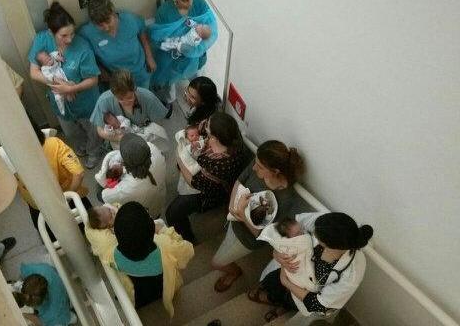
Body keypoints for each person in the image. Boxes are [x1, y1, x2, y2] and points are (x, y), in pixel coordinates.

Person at [211, 140, 308, 292]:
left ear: (275, 171)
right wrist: (232, 207)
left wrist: (242, 213)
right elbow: (239, 180)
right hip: (235, 218)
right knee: (225, 243)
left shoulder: (286, 199)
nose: (254, 167)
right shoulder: (260, 161)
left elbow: (262, 235)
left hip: (247, 238)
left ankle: (234, 272)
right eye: (255, 162)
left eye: (260, 167)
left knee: (217, 263)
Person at [250, 212, 374, 324]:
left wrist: (286, 282)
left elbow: (319, 305)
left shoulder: (353, 272)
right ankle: (276, 300)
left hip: (306, 293)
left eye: (317, 237)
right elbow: (284, 232)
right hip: (291, 272)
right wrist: (277, 255)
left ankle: (284, 307)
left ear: (330, 246)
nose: (310, 233)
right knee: (272, 285)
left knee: (291, 301)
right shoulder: (324, 224)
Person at [28, 1, 102, 168]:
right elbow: (33, 73)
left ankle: (94, 151)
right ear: (50, 32)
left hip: (86, 102)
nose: (69, 39)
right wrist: (57, 83)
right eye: (63, 36)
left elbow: (93, 79)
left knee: (92, 131)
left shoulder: (82, 48)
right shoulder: (42, 40)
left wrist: (71, 88)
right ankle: (82, 148)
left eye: (72, 34)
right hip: (60, 102)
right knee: (70, 131)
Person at [166, 112, 245, 243]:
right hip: (202, 172)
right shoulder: (229, 136)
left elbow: (194, 182)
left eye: (207, 128)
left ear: (214, 137)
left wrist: (180, 159)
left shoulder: (222, 164)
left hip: (209, 193)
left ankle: (188, 239)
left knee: (172, 213)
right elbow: (199, 128)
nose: (203, 127)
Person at [149, 0, 218, 106]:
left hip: (196, 55)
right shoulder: (164, 12)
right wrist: (178, 45)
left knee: (197, 80)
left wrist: (199, 42)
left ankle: (198, 102)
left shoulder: (200, 4)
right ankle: (169, 101)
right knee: (170, 82)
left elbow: (211, 28)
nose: (190, 3)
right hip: (172, 58)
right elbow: (159, 39)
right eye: (185, 0)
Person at [78, 0, 156, 90]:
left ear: (113, 13)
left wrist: (149, 57)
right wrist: (100, 69)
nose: (106, 27)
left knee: (143, 101)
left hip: (140, 73)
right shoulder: (87, 32)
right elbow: (84, 51)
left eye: (108, 21)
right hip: (116, 81)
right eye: (100, 25)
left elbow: (142, 31)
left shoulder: (129, 19)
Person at [96, 133, 166, 218]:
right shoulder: (152, 148)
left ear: (127, 164)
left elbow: (101, 195)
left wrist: (104, 171)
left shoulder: (127, 188)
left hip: (146, 214)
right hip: (159, 198)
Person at [90, 69, 167, 145]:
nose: (126, 102)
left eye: (130, 97)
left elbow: (158, 124)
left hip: (146, 139)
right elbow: (100, 130)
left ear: (134, 89)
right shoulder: (104, 101)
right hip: (120, 141)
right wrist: (120, 138)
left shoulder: (148, 98)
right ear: (113, 94)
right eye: (121, 99)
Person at [36, 50, 67, 115]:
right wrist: (55, 80)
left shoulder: (52, 55)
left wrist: (59, 58)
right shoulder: (44, 69)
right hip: (55, 81)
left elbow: (55, 54)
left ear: (49, 55)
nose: (49, 61)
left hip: (61, 73)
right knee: (58, 98)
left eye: (49, 58)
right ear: (43, 65)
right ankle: (62, 110)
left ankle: (68, 94)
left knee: (68, 85)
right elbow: (49, 76)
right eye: (46, 62)